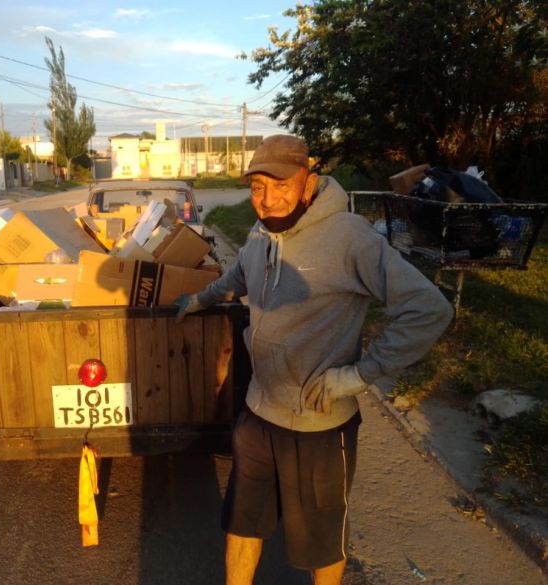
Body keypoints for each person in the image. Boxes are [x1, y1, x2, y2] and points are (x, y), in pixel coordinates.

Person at [174, 135, 454, 585]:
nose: (267, 199)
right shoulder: (259, 233)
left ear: (309, 183)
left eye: (280, 185)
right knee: (242, 525)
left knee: (322, 543)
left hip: (319, 425)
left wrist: (361, 375)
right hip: (259, 412)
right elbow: (240, 273)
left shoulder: (350, 239)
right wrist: (203, 298)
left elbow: (429, 308)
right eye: (257, 187)